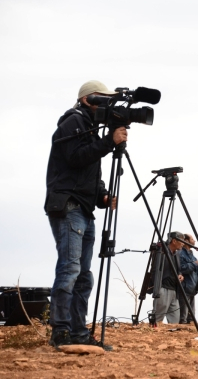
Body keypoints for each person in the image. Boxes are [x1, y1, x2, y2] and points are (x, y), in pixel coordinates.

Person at [45, 80, 128, 349]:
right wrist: (108, 141)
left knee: (84, 275)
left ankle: (79, 332)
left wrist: (103, 196)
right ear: (87, 99)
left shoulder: (92, 130)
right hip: (68, 205)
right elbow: (75, 158)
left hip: (84, 208)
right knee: (70, 269)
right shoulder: (72, 122)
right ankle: (60, 331)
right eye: (102, 99)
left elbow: (91, 173)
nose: (107, 105)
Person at [152, 231, 185, 324]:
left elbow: (178, 269)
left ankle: (172, 337)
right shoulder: (161, 251)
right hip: (163, 287)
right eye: (181, 241)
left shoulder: (176, 254)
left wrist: (180, 275)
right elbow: (156, 269)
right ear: (174, 241)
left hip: (174, 289)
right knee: (158, 318)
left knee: (175, 319)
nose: (183, 244)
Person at [178, 233, 198, 324]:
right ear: (186, 241)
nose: (194, 241)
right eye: (192, 239)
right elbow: (181, 268)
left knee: (191, 319)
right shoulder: (181, 253)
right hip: (184, 289)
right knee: (183, 318)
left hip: (192, 290)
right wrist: (194, 264)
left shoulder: (192, 255)